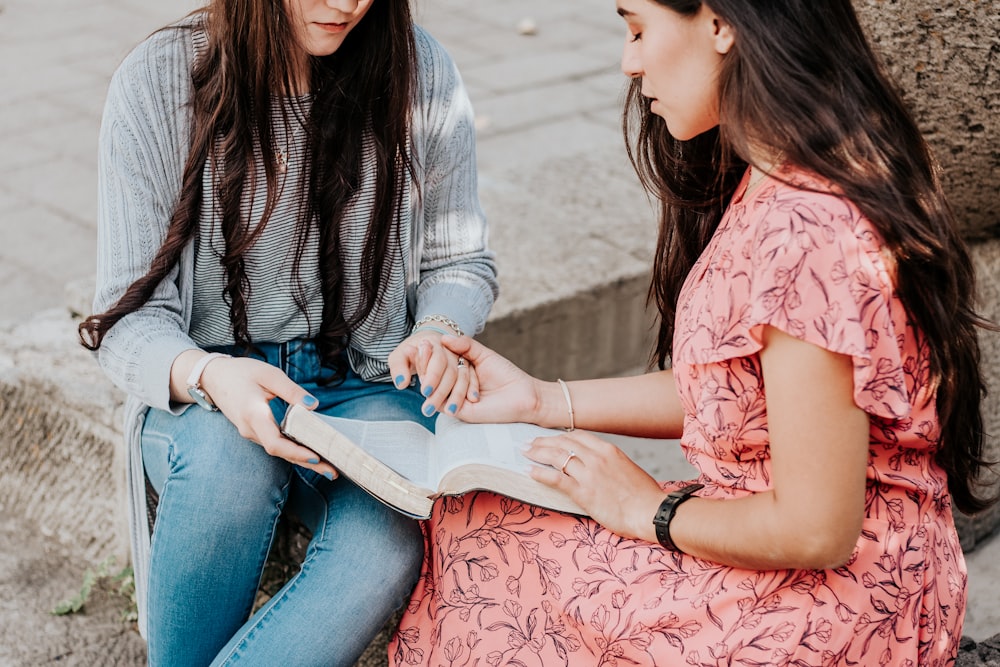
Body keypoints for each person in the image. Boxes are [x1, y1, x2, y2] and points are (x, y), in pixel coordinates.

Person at [388, 0, 997, 664]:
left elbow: (816, 526)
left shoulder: (805, 228)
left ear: (722, 21)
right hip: (816, 561)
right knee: (472, 513)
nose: (628, 61)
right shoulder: (772, 172)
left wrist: (647, 509)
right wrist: (541, 399)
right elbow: (743, 389)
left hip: (839, 606)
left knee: (490, 542)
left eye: (638, 28)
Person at [78, 0, 498, 664]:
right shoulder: (159, 80)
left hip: (363, 387)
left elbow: (459, 257)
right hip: (211, 390)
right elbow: (128, 317)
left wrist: (437, 329)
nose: (348, 4)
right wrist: (211, 375)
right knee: (228, 465)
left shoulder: (420, 73)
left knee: (388, 540)